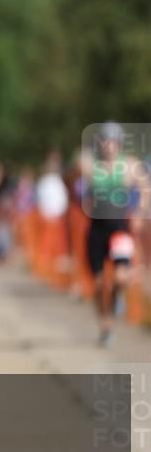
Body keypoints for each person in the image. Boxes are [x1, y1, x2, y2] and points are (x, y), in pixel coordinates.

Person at [81, 122, 150, 347]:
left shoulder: (130, 165)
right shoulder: (91, 166)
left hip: (119, 227)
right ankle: (105, 324)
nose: (107, 145)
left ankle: (116, 300)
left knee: (120, 278)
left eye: (111, 140)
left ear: (119, 143)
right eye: (103, 140)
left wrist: (140, 212)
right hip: (97, 228)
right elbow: (75, 186)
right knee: (100, 283)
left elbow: (145, 188)